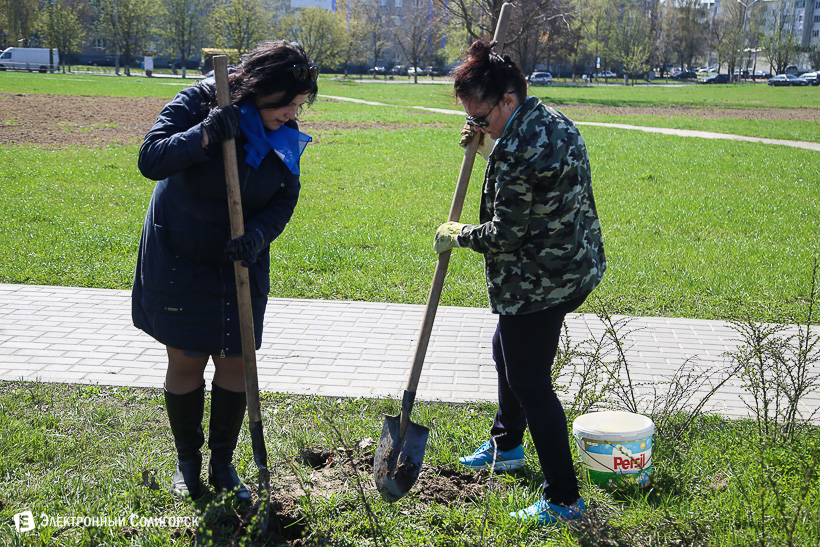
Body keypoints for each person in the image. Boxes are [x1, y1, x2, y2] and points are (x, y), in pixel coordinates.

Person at [132, 40, 318, 502]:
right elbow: (150, 158)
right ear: (262, 90)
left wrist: (258, 235)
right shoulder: (201, 100)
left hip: (240, 257)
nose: (293, 114)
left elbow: (285, 196)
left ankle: (222, 464)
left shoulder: (284, 131)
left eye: (300, 106)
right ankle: (187, 463)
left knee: (236, 359)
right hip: (182, 254)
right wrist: (206, 134)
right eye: (288, 103)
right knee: (187, 358)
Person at [434, 40, 606, 526]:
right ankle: (507, 445)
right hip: (575, 268)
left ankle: (564, 500)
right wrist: (489, 144)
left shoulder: (513, 151)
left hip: (537, 284)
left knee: (531, 382)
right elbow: (537, 179)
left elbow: (505, 235)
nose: (476, 124)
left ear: (508, 99)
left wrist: (460, 234)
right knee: (504, 350)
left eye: (482, 116)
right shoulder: (553, 121)